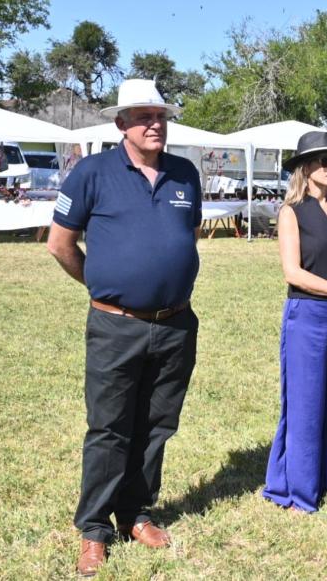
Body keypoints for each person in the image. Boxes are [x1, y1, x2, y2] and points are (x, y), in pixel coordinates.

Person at [46, 79, 202, 576]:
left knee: (157, 426)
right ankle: (94, 529)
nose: (154, 124)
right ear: (121, 125)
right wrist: (101, 285)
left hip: (176, 325)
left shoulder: (184, 174)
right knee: (109, 427)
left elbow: (185, 236)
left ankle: (137, 513)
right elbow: (60, 244)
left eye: (159, 116)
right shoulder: (92, 172)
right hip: (116, 326)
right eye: (142, 117)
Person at [262, 131, 327, 514]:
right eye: (325, 161)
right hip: (307, 314)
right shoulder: (292, 212)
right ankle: (298, 489)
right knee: (305, 402)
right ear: (305, 168)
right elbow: (293, 273)